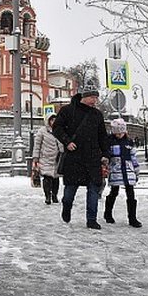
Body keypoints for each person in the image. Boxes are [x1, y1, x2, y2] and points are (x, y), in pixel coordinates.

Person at [52, 86, 110, 229]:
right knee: (70, 191)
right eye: (92, 98)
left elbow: (102, 136)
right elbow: (57, 128)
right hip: (74, 157)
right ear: (84, 97)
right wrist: (67, 142)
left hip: (93, 157)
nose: (95, 101)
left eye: (96, 98)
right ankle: (66, 207)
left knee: (93, 190)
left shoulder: (97, 115)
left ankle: (91, 219)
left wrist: (105, 154)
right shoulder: (67, 110)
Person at [103, 118, 142, 228]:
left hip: (128, 170)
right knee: (114, 191)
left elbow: (133, 156)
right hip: (116, 169)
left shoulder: (129, 142)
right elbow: (106, 155)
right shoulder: (109, 141)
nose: (119, 135)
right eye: (117, 132)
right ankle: (108, 213)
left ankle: (132, 218)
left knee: (131, 193)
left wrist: (136, 169)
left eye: (121, 132)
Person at [33, 114, 63, 205]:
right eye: (52, 120)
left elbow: (62, 144)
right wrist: (36, 157)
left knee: (56, 178)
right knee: (47, 178)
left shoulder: (60, 130)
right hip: (45, 158)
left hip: (57, 159)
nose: (53, 122)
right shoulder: (42, 131)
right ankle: (47, 196)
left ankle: (54, 195)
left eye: (55, 120)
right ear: (48, 121)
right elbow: (37, 145)